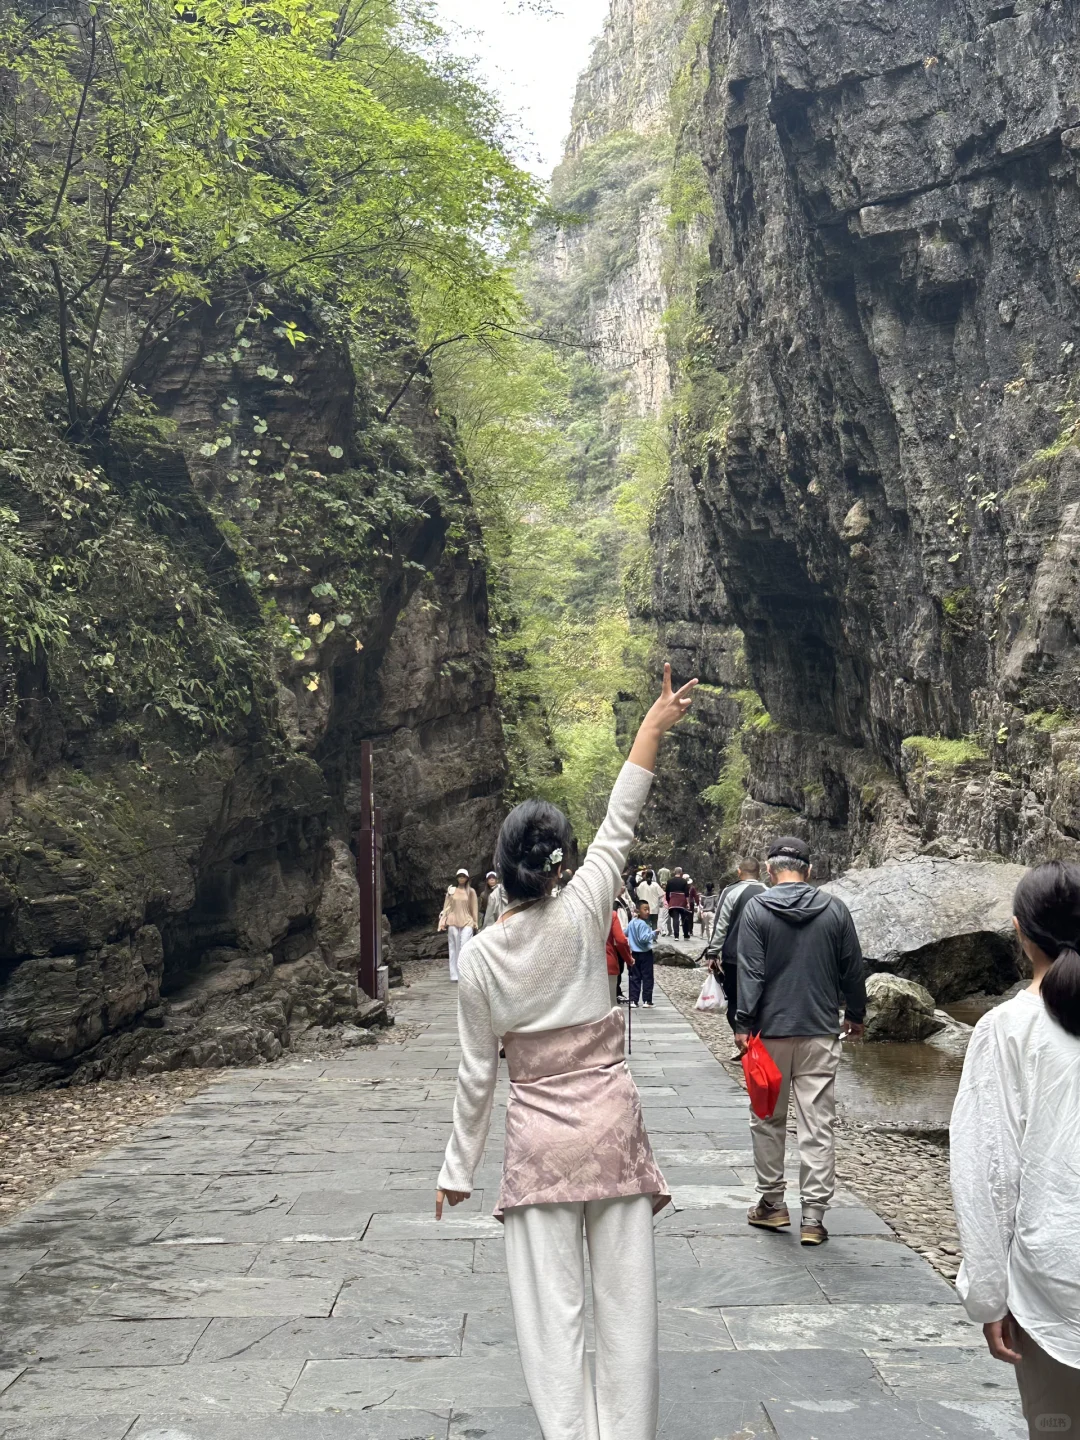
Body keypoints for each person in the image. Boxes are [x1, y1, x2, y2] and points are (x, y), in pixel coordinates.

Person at [435, 663, 697, 1440]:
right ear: (559, 863)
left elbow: (479, 1071)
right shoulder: (587, 908)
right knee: (627, 1309)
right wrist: (652, 725)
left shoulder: (480, 958)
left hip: (540, 1146)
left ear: (501, 867)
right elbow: (622, 818)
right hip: (611, 1130)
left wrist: (457, 1170)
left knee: (554, 1320)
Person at [950, 861, 1080, 1438]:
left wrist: (989, 1294)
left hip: (1054, 1279)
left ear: (1020, 930)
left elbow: (987, 1173)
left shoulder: (1007, 1029)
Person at [733, 837, 866, 1246]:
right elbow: (852, 969)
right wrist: (855, 1014)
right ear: (808, 872)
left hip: (768, 1033)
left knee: (768, 1120)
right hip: (819, 1031)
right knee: (817, 1124)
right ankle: (814, 1216)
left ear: (771, 873)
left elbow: (751, 971)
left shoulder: (757, 908)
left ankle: (772, 1205)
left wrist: (743, 1020)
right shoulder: (836, 910)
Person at [709, 860, 766, 1052]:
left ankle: (743, 1042)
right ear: (760, 872)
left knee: (734, 1001)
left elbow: (721, 924)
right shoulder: (769, 892)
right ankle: (756, 1044)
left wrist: (713, 952)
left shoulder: (730, 892)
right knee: (760, 1001)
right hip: (763, 959)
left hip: (734, 957)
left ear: (739, 872)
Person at [438, 868, 479, 982]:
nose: (461, 878)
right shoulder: (451, 890)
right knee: (453, 948)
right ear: (457, 878)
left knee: (465, 947)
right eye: (459, 876)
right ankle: (454, 975)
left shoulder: (471, 891)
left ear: (467, 878)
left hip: (467, 920)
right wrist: (443, 921)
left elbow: (474, 908)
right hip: (453, 920)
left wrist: (475, 922)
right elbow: (446, 906)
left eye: (463, 876)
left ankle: (465, 973)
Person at [626, 900, 657, 1008]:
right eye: (645, 909)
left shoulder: (632, 922)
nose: (648, 912)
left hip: (634, 953)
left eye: (648, 909)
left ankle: (633, 1000)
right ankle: (647, 1000)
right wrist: (654, 933)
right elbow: (643, 938)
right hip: (645, 953)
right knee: (647, 977)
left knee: (635, 977)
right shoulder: (643, 924)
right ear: (638, 911)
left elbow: (625, 932)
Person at [607, 907, 634, 1006]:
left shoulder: (583, 913)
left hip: (588, 965)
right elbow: (621, 940)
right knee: (610, 1004)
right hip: (607, 961)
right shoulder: (611, 915)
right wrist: (628, 959)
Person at [665, 867, 693, 940]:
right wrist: (687, 903)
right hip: (682, 900)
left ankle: (676, 936)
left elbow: (667, 893)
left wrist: (668, 901)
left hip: (673, 900)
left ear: (674, 872)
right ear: (681, 873)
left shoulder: (669, 881)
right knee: (684, 917)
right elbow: (686, 894)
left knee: (675, 919)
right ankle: (686, 935)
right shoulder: (684, 881)